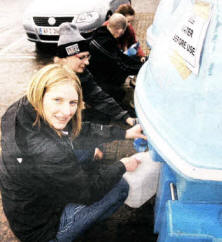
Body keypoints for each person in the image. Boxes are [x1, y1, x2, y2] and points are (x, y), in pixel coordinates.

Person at [0, 64, 147, 242]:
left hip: (25, 208)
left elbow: (76, 130)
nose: (67, 111)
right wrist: (121, 165)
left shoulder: (23, 108)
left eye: (72, 103)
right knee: (120, 187)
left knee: (85, 150)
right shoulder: (49, 152)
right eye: (58, 100)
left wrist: (125, 133)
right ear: (41, 94)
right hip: (43, 232)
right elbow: (87, 192)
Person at [55, 22, 136, 125]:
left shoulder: (82, 74)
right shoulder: (53, 82)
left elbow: (99, 97)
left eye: (87, 56)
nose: (87, 62)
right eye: (81, 57)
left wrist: (126, 117)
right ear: (65, 58)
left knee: (102, 117)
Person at [88, 13, 143, 103]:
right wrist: (141, 68)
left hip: (98, 74)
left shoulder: (102, 33)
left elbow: (121, 57)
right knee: (120, 93)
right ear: (120, 31)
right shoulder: (106, 44)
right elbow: (121, 66)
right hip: (96, 83)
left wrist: (140, 61)